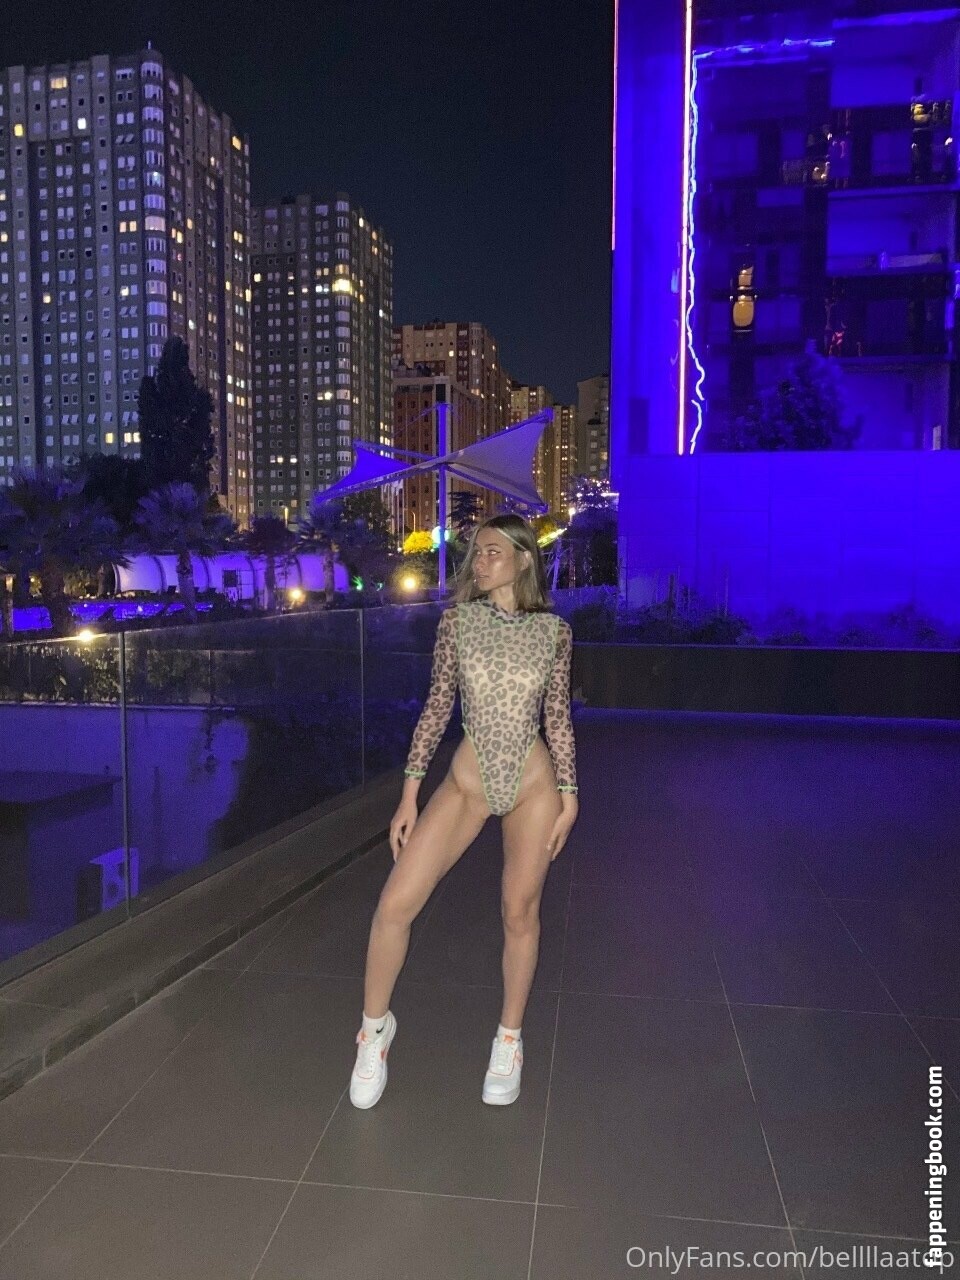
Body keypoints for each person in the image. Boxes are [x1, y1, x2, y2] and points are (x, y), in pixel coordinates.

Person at [349, 513, 579, 1109]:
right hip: (467, 783)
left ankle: (510, 1039)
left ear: (524, 559)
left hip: (533, 787)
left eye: (494, 551)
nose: (481, 561)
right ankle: (373, 1032)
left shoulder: (555, 633)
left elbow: (557, 716)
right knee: (394, 905)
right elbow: (436, 706)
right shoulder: (457, 623)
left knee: (518, 913)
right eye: (477, 552)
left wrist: (570, 793)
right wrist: (409, 793)